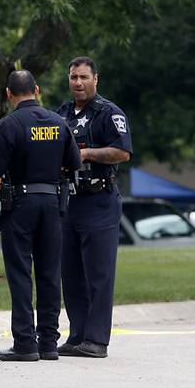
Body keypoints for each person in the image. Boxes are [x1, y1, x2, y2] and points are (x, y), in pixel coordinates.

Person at [0, 69, 81, 362]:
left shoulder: (9, 125)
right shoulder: (59, 122)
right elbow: (72, 163)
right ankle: (48, 342)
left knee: (21, 274)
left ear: (9, 94)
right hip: (52, 204)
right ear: (36, 90)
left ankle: (25, 343)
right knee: (50, 273)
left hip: (20, 206)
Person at [56, 56, 133, 358]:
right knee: (71, 273)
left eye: (84, 77)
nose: (78, 82)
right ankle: (77, 336)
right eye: (74, 77)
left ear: (95, 79)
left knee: (98, 274)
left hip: (99, 201)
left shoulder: (108, 113)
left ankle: (97, 340)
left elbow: (122, 152)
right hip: (69, 201)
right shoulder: (61, 113)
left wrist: (85, 154)